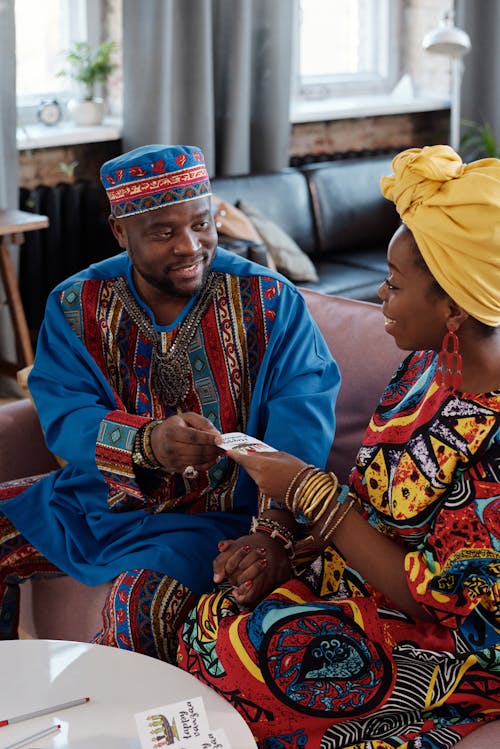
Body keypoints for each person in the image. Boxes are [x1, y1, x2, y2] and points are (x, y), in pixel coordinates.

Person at [177, 145, 500, 748]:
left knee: (240, 659)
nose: (381, 296)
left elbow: (448, 605)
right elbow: (373, 499)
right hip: (352, 586)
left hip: (447, 643)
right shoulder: (423, 371)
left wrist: (307, 488)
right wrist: (282, 538)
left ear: (453, 305)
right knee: (205, 611)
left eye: (396, 284)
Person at [0, 144, 340, 661]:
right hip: (96, 502)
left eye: (202, 225)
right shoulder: (76, 305)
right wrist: (147, 441)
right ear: (121, 232)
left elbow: (302, 427)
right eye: (164, 232)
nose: (190, 246)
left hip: (217, 519)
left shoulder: (270, 303)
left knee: (139, 609)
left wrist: (273, 533)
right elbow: (65, 413)